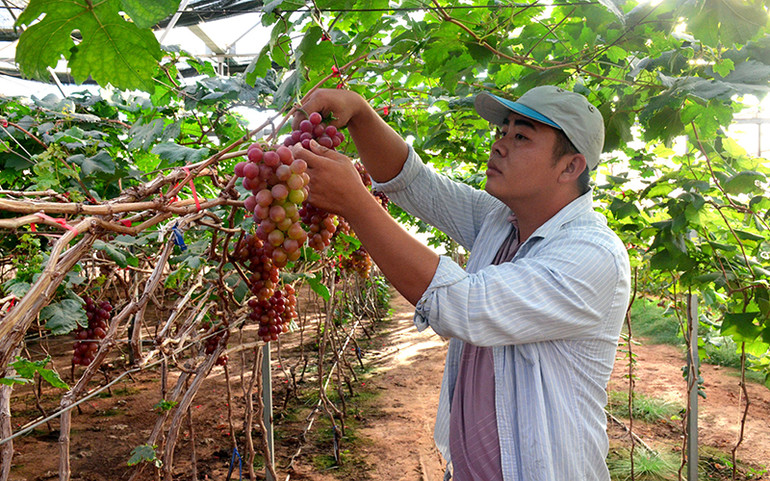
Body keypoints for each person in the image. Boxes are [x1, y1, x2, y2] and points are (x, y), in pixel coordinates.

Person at [290, 85, 631, 481]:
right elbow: (414, 183)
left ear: (570, 167)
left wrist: (355, 203)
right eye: (502, 131)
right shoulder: (502, 222)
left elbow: (466, 305)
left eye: (521, 137)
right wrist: (361, 113)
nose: (499, 145)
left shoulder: (593, 254)